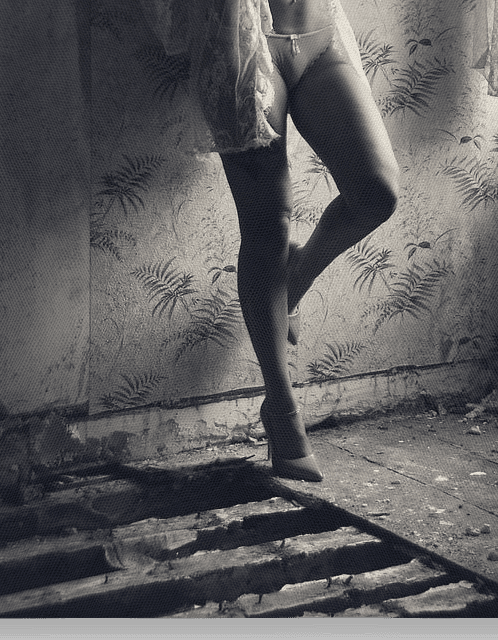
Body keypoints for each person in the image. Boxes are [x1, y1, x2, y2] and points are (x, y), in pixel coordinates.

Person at [139, 0, 400, 481]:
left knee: (377, 192)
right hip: (239, 41)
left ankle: (295, 276)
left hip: (319, 33)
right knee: (267, 225)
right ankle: (280, 406)